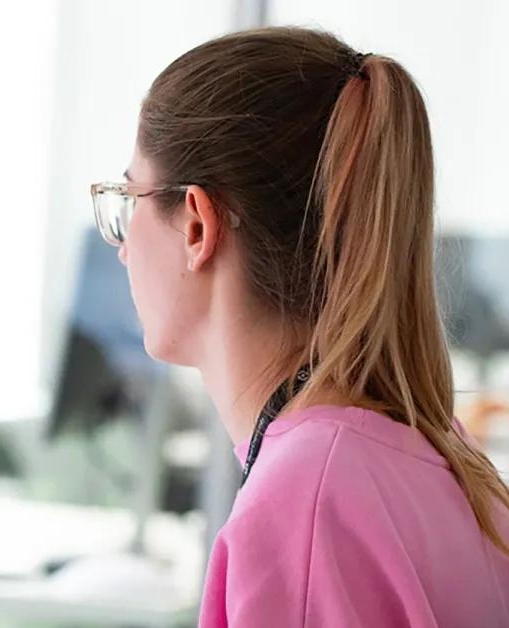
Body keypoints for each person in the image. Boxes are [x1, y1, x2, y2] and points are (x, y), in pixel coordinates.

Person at [91, 27, 509, 626]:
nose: (123, 248)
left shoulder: (308, 502)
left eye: (129, 199)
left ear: (196, 227)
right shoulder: (444, 457)